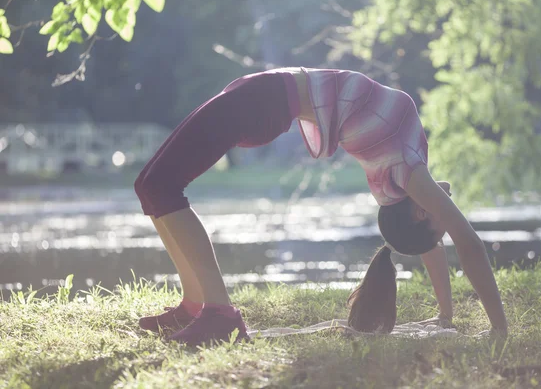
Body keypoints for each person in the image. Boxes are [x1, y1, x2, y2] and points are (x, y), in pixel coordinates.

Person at [135, 67, 508, 346]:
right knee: (150, 187)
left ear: (422, 212)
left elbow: (466, 242)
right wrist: (445, 315)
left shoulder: (404, 172)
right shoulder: (402, 179)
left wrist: (499, 329)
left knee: (161, 186)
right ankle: (196, 305)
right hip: (265, 94)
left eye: (438, 219)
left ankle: (217, 312)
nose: (446, 210)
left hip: (266, 101)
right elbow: (432, 243)